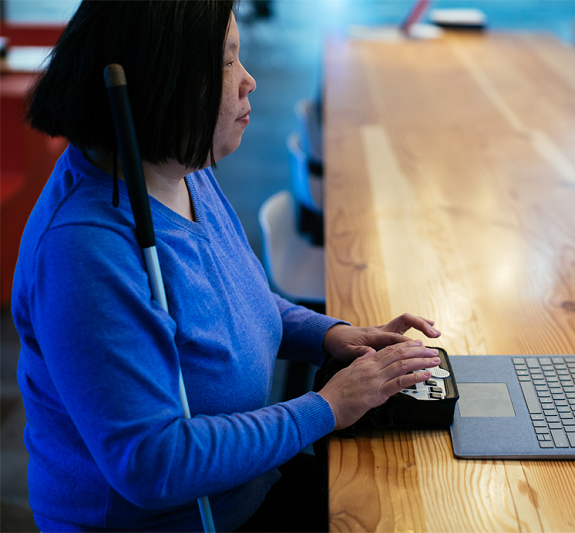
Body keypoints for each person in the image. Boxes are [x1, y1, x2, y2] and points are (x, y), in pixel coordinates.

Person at [13, 1, 441, 531]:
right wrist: (328, 407)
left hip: (244, 489)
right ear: (163, 82)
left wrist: (333, 335)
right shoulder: (84, 251)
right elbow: (153, 464)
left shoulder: (176, 165)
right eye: (226, 63)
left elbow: (238, 298)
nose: (249, 81)